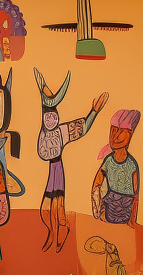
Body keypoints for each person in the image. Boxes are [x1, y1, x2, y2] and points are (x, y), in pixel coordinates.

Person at [34, 68, 108, 252]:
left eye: (53, 116)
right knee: (46, 208)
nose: (50, 119)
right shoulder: (46, 132)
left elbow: (82, 126)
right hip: (53, 169)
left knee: (56, 204)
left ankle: (60, 231)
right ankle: (53, 232)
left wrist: (94, 111)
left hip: (57, 170)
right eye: (47, 116)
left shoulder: (61, 131)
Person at [92, 109, 141, 224]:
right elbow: (96, 186)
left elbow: (136, 194)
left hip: (126, 214)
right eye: (113, 130)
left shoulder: (132, 165)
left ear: (130, 134)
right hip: (108, 212)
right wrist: (99, 212)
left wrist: (132, 220)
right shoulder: (108, 161)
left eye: (121, 131)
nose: (115, 136)